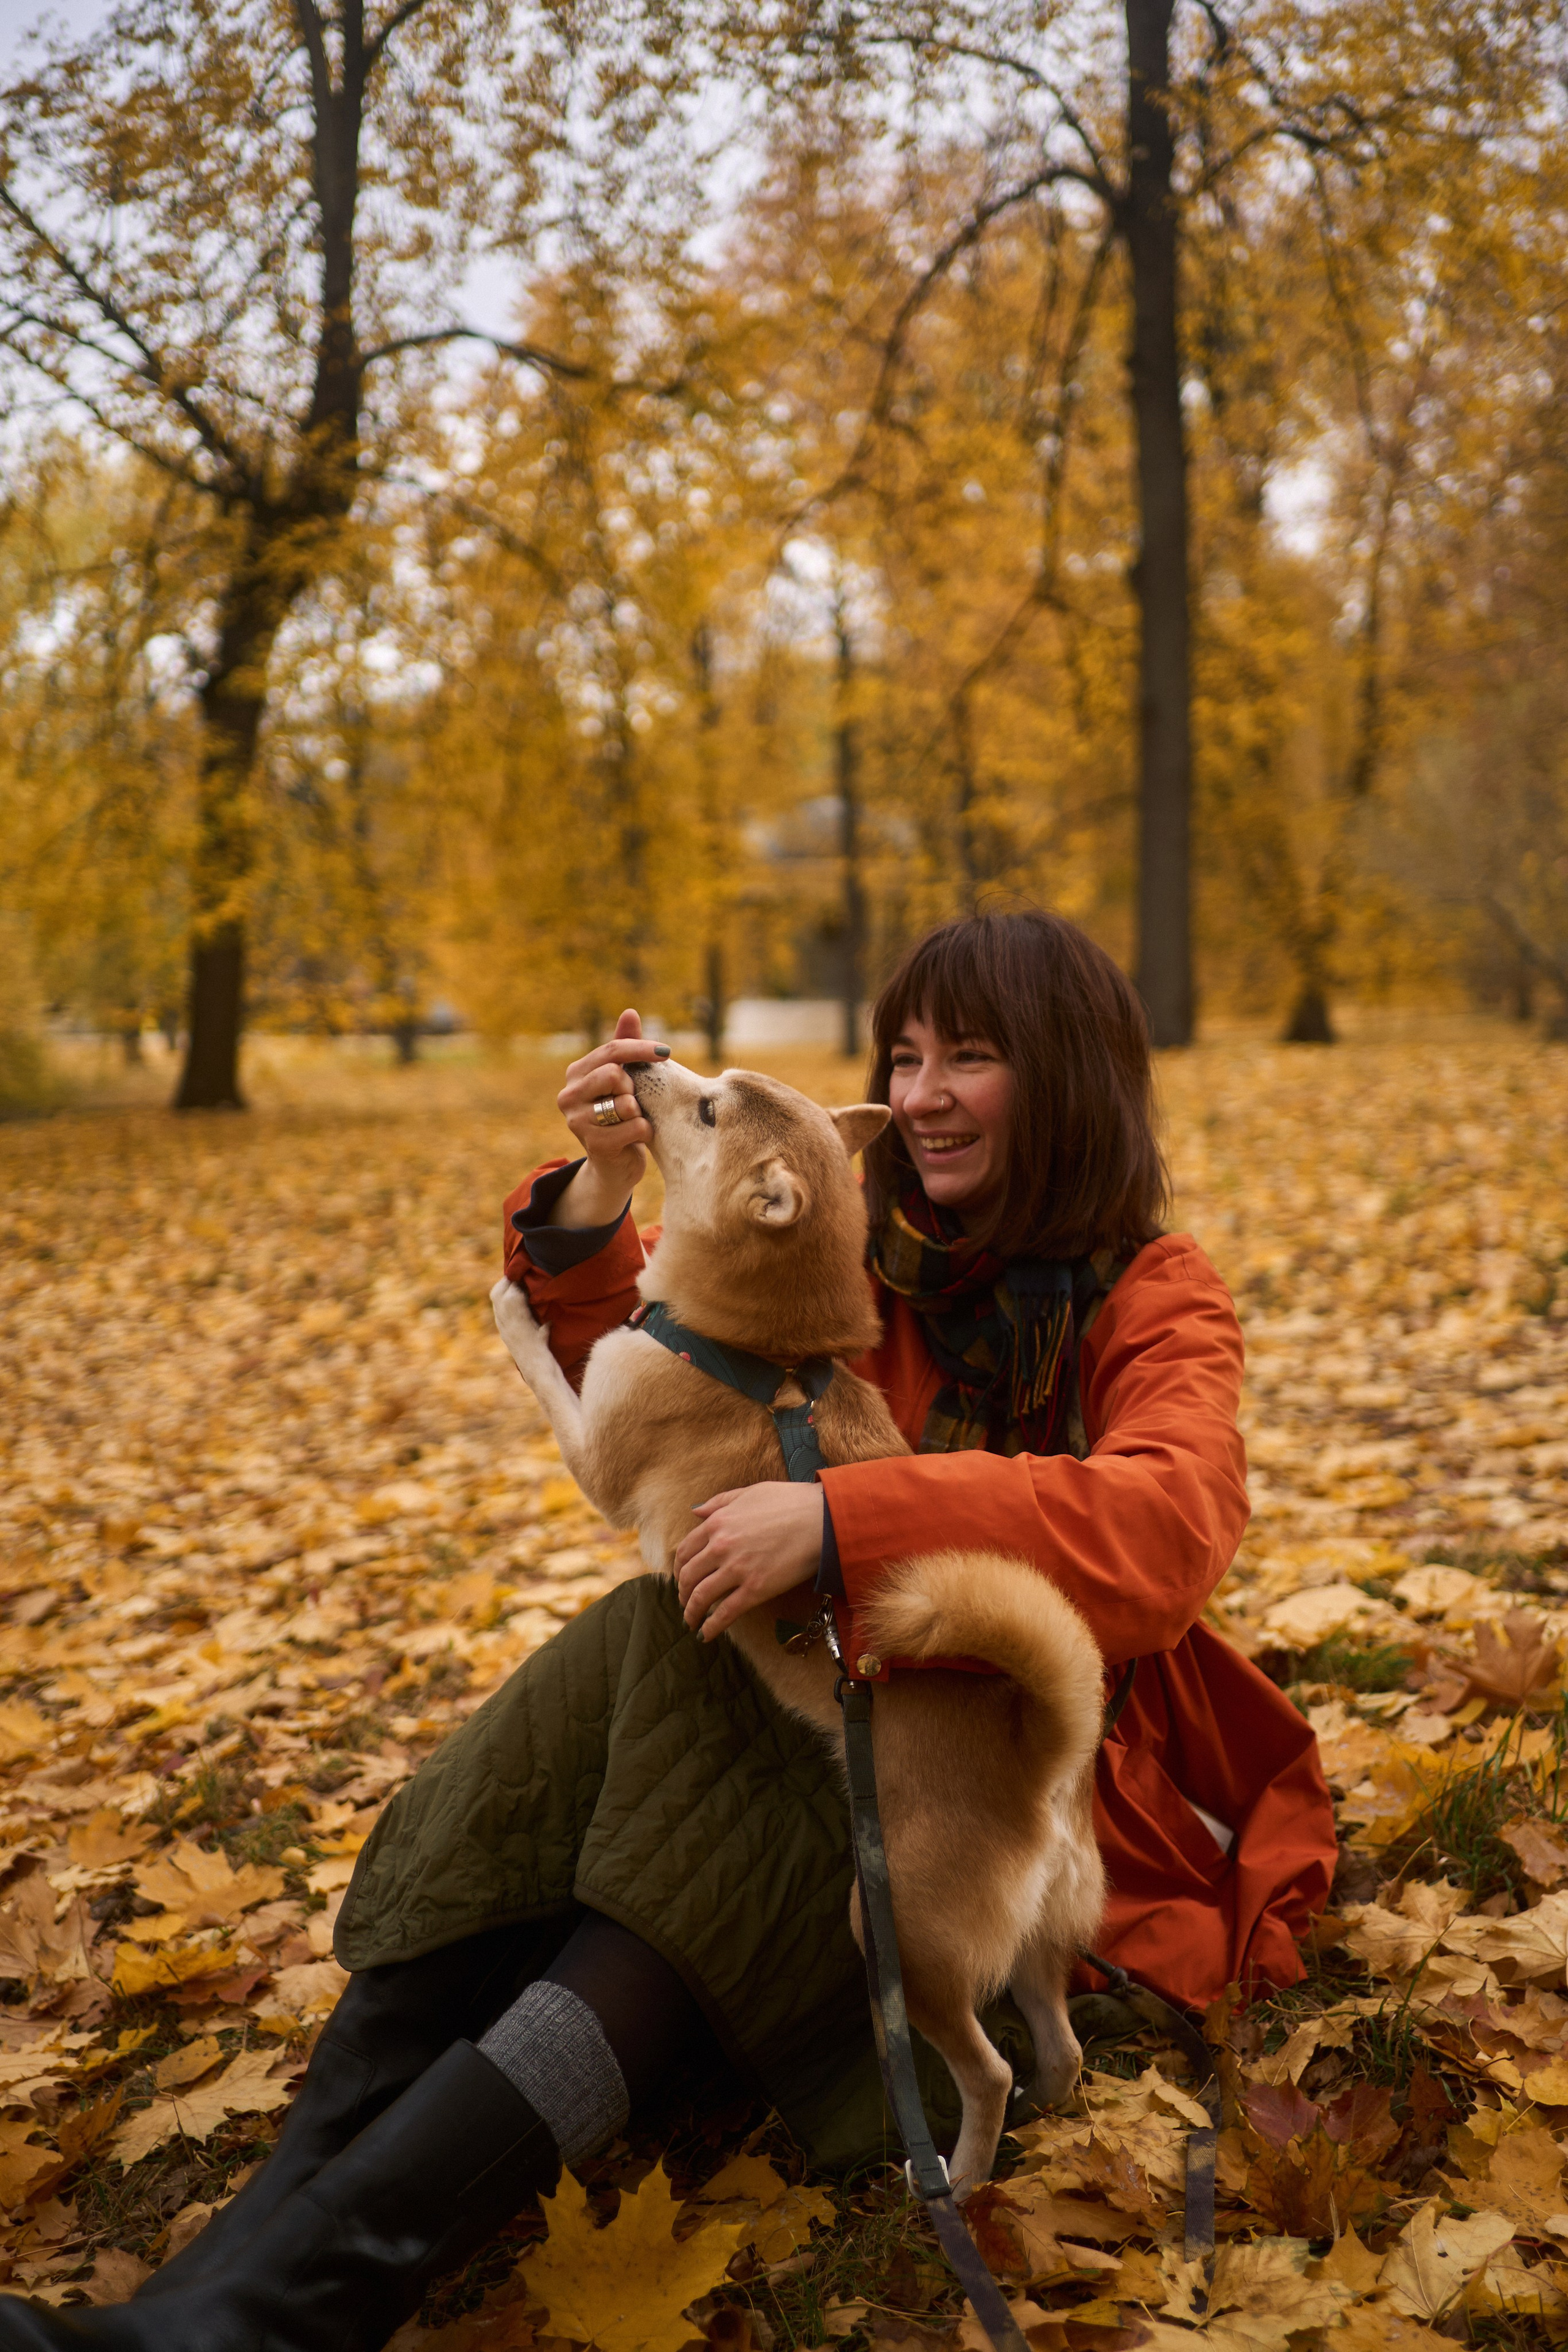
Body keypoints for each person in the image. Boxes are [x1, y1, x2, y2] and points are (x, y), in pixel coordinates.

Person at [4, 911, 1335, 2352]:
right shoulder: (847, 1234)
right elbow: (653, 1384)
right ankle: (214, 2296)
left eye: (971, 1057)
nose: (923, 1094)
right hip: (817, 1716)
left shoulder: (1151, 1291)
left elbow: (1166, 1528)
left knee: (676, 1846)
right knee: (634, 1662)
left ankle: (266, 2313)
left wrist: (842, 1516)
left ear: (1068, 1075)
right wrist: (603, 1181)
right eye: (903, 1056)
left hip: (1006, 1816)